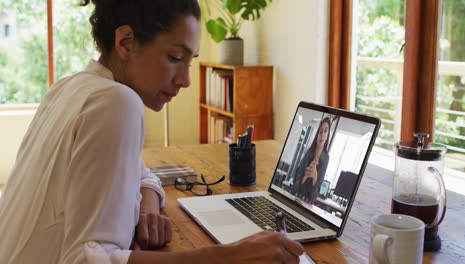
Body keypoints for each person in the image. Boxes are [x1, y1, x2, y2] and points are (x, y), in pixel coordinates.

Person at [0, 0, 304, 263]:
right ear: (126, 42)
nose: (185, 80)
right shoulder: (117, 102)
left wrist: (147, 205)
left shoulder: (70, 87)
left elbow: (140, 171)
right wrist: (232, 256)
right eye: (174, 58)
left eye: (189, 62)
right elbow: (85, 260)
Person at [291, 117, 331, 204]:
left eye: (325, 131)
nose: (323, 135)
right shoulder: (309, 152)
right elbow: (295, 185)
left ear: (328, 135)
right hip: (296, 198)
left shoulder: (326, 158)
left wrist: (315, 177)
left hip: (307, 204)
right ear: (317, 134)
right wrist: (305, 176)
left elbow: (314, 196)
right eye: (320, 132)